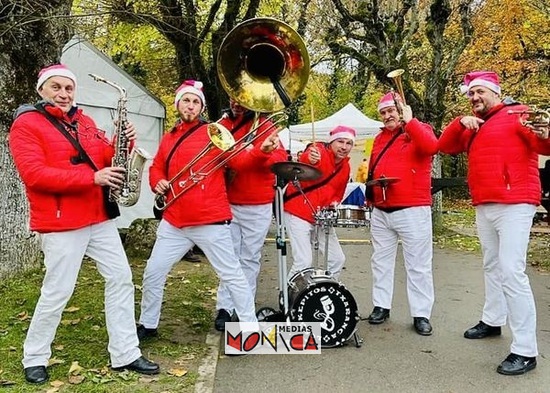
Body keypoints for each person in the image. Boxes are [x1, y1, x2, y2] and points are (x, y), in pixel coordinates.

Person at [9, 64, 160, 384]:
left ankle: (126, 353)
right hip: (61, 222)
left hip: (98, 218)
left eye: (69, 88)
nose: (64, 93)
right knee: (58, 291)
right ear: (41, 90)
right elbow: (34, 175)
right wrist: (91, 178)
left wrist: (124, 139)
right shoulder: (26, 125)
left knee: (120, 279)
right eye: (56, 87)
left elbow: (107, 157)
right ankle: (34, 356)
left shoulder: (85, 120)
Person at [438, 70, 550, 375]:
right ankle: (493, 319)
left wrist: (544, 134)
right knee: (491, 264)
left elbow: (545, 145)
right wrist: (459, 122)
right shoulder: (473, 124)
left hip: (515, 202)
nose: (475, 98)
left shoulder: (518, 113)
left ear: (496, 92)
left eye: (481, 92)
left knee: (511, 271)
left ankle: (526, 350)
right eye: (471, 94)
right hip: (485, 203)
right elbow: (445, 147)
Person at [137, 81, 262, 340]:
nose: (190, 106)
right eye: (186, 101)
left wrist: (261, 152)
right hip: (174, 220)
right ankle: (147, 324)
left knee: (231, 274)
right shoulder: (169, 136)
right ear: (178, 104)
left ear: (201, 107)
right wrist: (157, 181)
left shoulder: (214, 132)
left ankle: (250, 329)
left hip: (210, 221)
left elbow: (239, 160)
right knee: (153, 272)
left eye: (195, 102)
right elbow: (157, 167)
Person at [365, 92, 437, 336]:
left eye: (391, 111)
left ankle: (421, 313)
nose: (387, 116)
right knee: (380, 261)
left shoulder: (418, 129)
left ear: (401, 110)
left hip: (412, 209)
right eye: (383, 112)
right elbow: (373, 168)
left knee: (418, 264)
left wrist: (411, 122)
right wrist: (370, 197)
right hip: (382, 208)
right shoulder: (378, 138)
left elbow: (430, 147)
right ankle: (381, 305)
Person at [213, 99, 287, 331]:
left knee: (250, 258)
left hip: (258, 204)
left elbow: (280, 159)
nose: (236, 103)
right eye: (232, 98)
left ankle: (243, 308)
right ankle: (225, 307)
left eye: (241, 99)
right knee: (229, 258)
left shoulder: (265, 126)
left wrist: (257, 153)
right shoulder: (222, 124)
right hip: (229, 201)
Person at [284, 125, 355, 280]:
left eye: (349, 143)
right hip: (298, 212)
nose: (344, 147)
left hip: (321, 217)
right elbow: (307, 158)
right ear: (331, 142)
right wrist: (309, 159)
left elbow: (338, 194)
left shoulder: (346, 167)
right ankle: (289, 299)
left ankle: (327, 289)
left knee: (337, 259)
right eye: (340, 141)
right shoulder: (319, 151)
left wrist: (333, 205)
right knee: (303, 261)